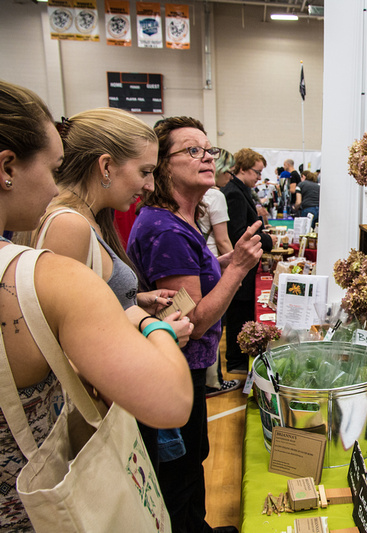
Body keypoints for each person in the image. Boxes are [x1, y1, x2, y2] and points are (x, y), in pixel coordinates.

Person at [0, 80, 193, 532]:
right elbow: (170, 399)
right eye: (52, 168)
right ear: (7, 167)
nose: (54, 185)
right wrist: (152, 326)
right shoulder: (53, 255)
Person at [31, 107, 195, 465]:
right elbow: (67, 339)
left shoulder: (88, 219)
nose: (149, 185)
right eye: (145, 172)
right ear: (105, 167)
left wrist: (135, 300)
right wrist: (157, 332)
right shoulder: (70, 226)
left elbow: (89, 303)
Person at [127, 116, 263, 533]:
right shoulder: (166, 229)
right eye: (192, 150)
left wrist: (220, 262)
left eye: (208, 149)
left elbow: (188, 287)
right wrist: (238, 268)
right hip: (173, 372)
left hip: (181, 371)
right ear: (163, 165)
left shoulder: (180, 220)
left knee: (190, 458)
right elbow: (191, 321)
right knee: (179, 469)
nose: (206, 157)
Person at [220, 148, 277, 375]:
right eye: (257, 172)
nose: (259, 178)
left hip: (245, 264)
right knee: (238, 312)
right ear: (242, 168)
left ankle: (239, 360)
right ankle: (236, 363)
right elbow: (238, 234)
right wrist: (267, 240)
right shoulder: (234, 193)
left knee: (242, 311)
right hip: (240, 264)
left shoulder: (241, 190)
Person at [198, 148, 241, 397]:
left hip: (201, 262)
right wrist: (236, 272)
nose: (230, 177)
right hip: (214, 263)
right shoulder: (216, 196)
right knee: (214, 324)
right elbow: (223, 241)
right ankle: (212, 381)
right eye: (230, 171)